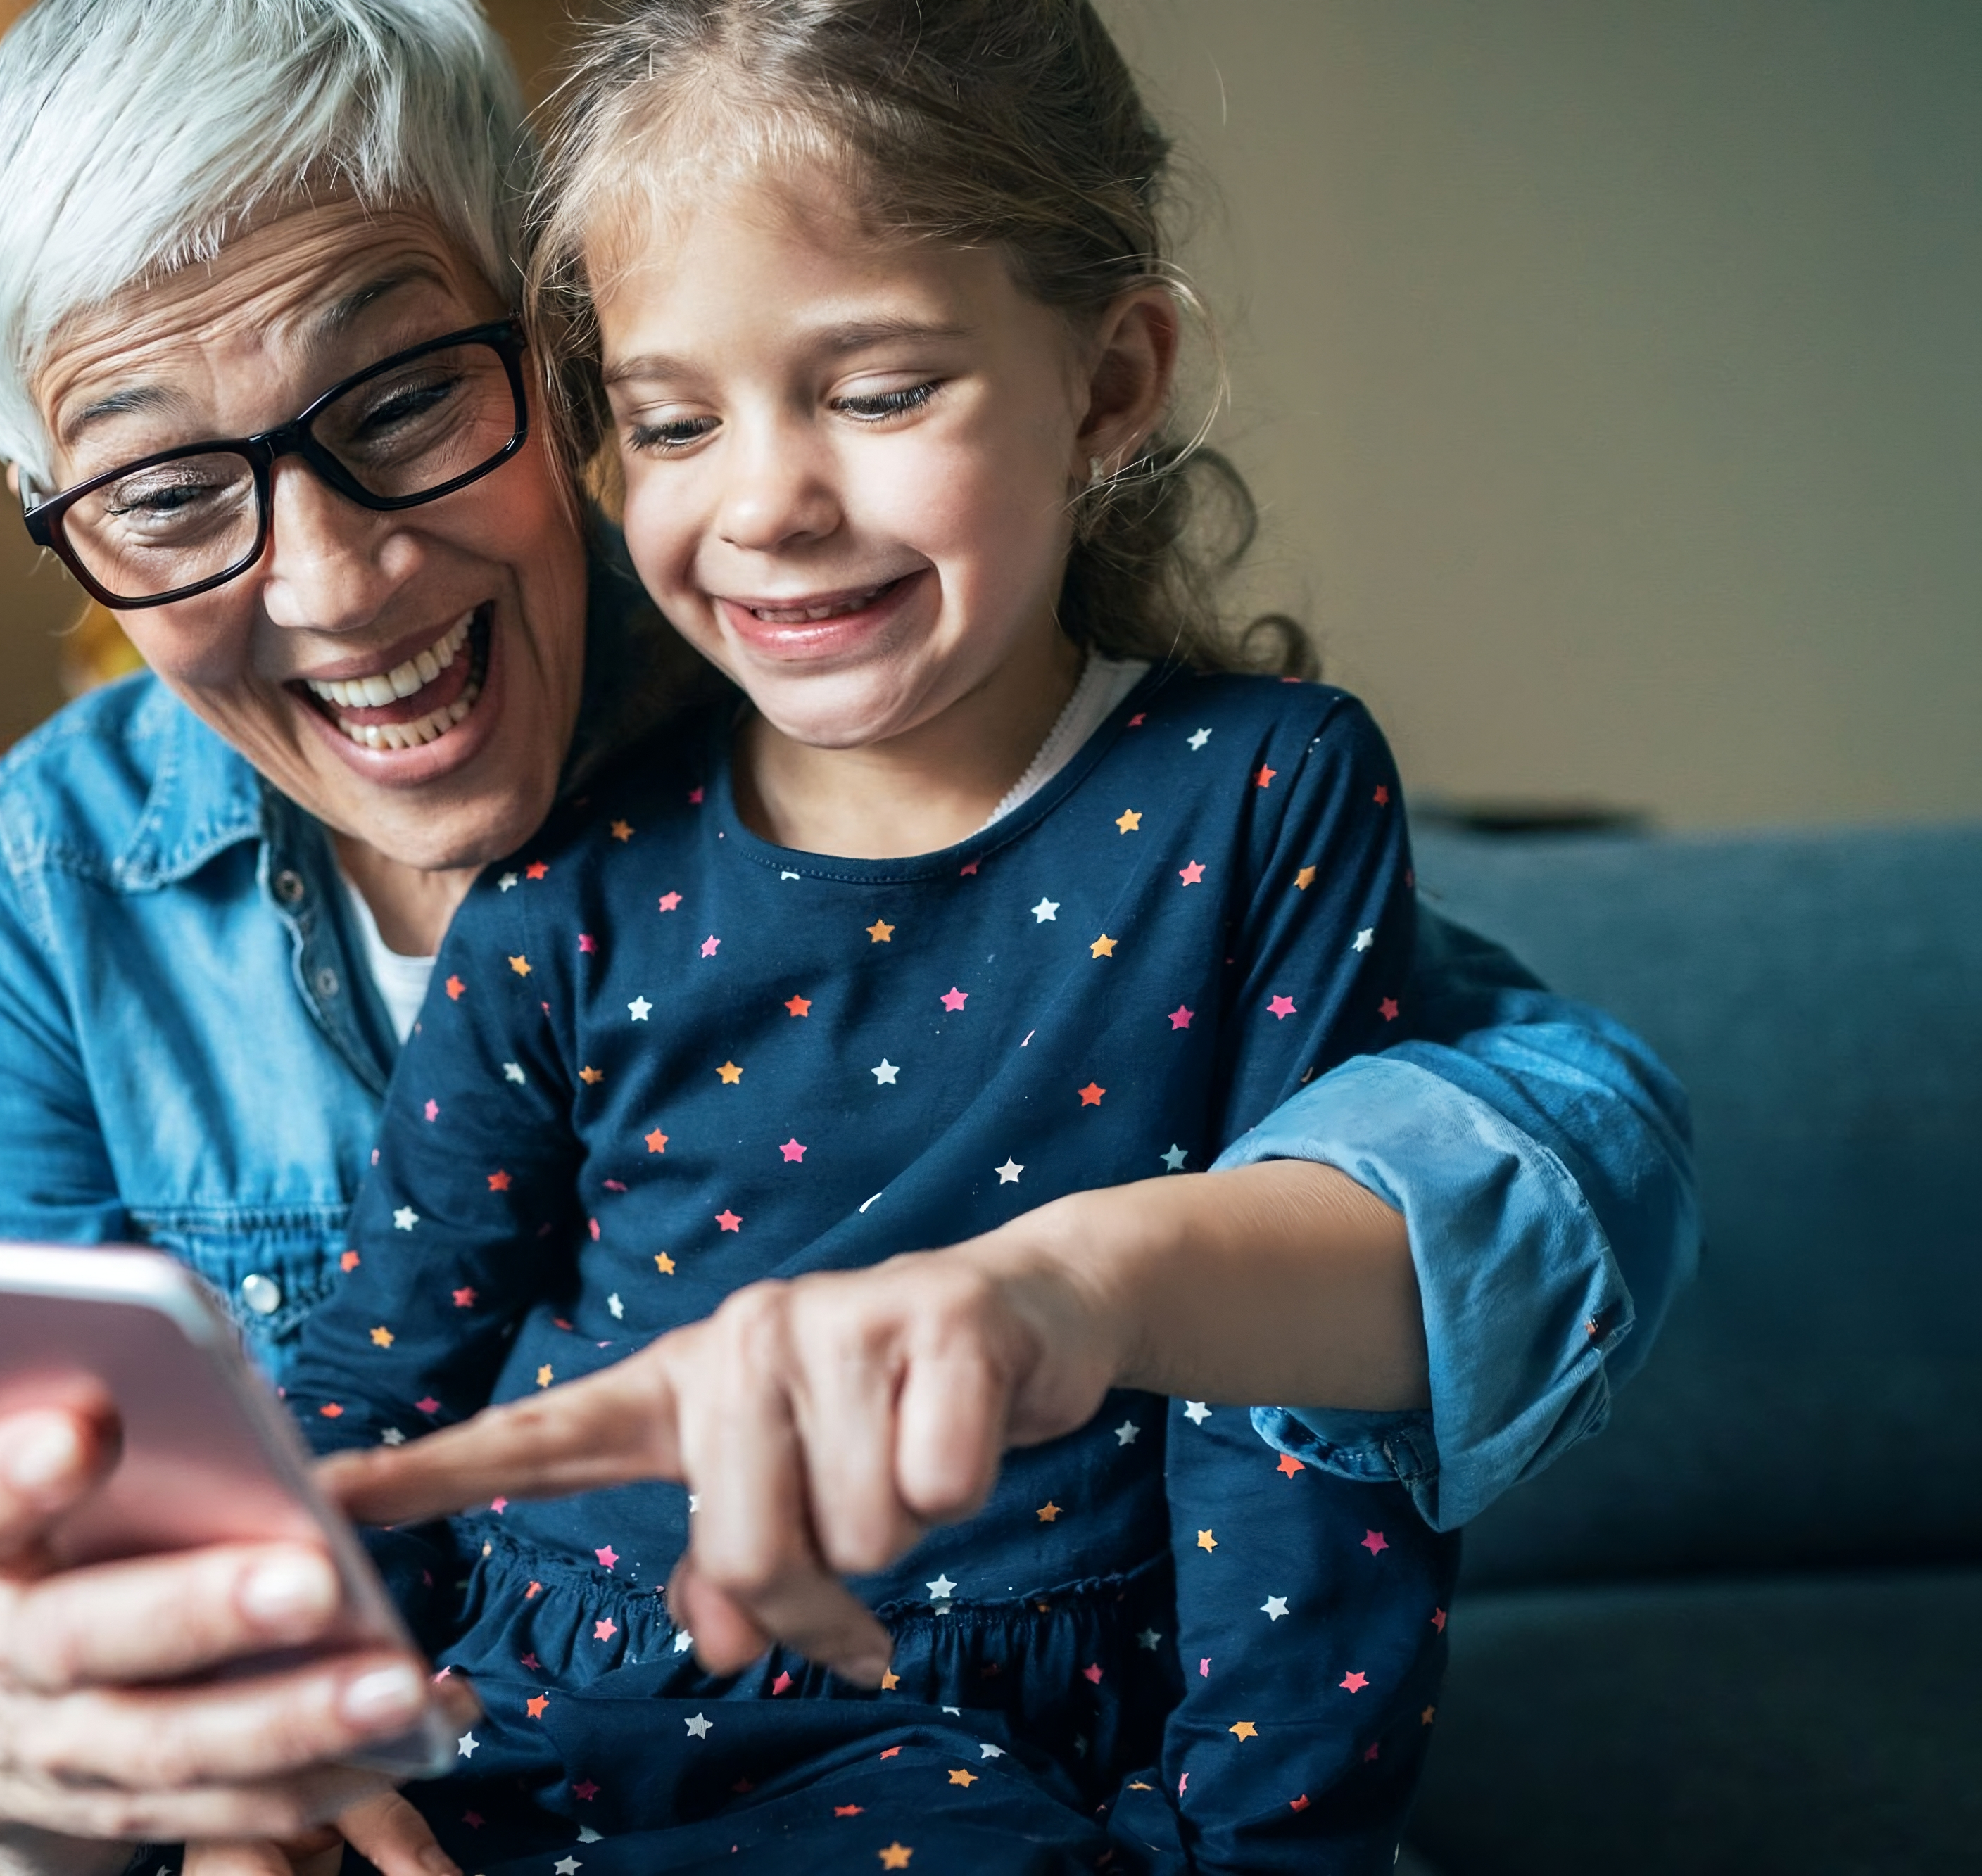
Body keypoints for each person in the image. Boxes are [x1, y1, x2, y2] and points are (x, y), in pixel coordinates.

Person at [0, 2, 1695, 1872]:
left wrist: (1106, 1285)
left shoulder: (940, 712)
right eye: (165, 494)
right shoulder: (31, 914)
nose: (334, 584)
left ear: (544, 362)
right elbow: (113, 1581)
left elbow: (1534, 1144)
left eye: (400, 400)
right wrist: (158, 1775)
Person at [279, 2, 1466, 1867]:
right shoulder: (574, 875)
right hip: (556, 1708)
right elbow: (372, 1373)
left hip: (1012, 1755)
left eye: (878, 388)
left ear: (1110, 380)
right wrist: (269, 1748)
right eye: (674, 423)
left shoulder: (1259, 799)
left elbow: (1305, 1428)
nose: (764, 501)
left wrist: (1250, 1847)